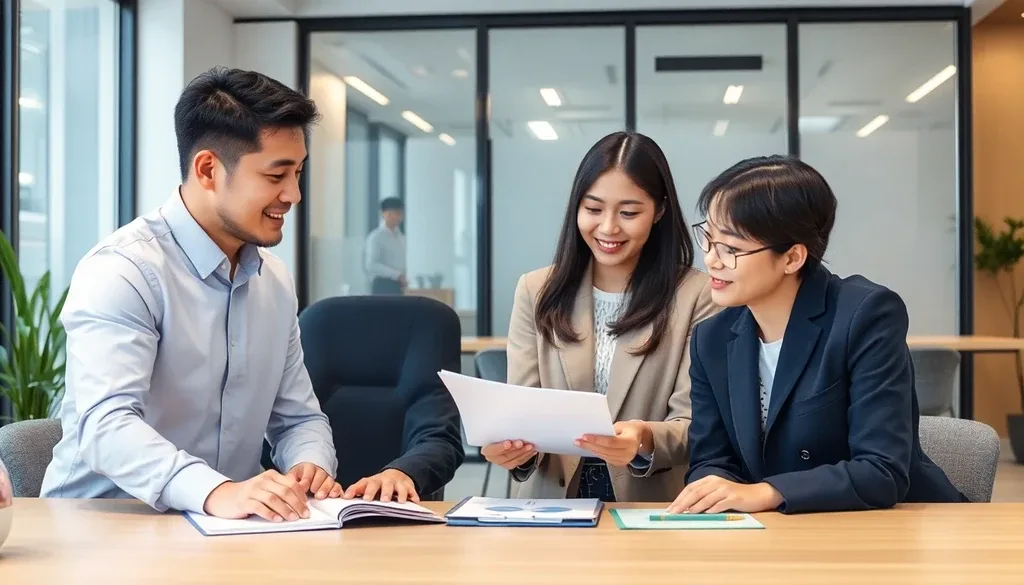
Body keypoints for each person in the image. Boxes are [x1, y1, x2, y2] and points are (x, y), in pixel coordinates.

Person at [39, 67, 413, 521]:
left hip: (229, 532)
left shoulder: (272, 281)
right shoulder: (124, 271)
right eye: (276, 175)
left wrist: (308, 465)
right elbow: (107, 427)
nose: (293, 194)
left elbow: (298, 418)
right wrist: (217, 491)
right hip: (103, 529)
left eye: (297, 173)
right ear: (208, 169)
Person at [669, 155, 967, 515]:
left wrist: (767, 492)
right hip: (776, 535)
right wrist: (715, 488)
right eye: (709, 240)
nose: (712, 261)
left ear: (792, 258)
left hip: (893, 530)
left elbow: (881, 471)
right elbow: (712, 461)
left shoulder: (866, 315)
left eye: (731, 249)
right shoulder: (711, 339)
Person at [483, 131, 719, 502]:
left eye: (629, 213)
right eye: (593, 209)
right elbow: (522, 409)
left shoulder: (697, 295)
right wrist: (512, 450)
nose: (608, 228)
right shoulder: (536, 289)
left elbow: (699, 423)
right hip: (550, 503)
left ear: (659, 211)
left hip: (650, 500)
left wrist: (644, 439)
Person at [365, 197, 407, 294]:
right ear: (384, 214)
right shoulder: (376, 237)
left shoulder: (401, 237)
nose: (398, 217)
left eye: (400, 213)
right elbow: (371, 265)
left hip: (399, 285)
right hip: (382, 284)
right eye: (394, 213)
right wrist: (396, 275)